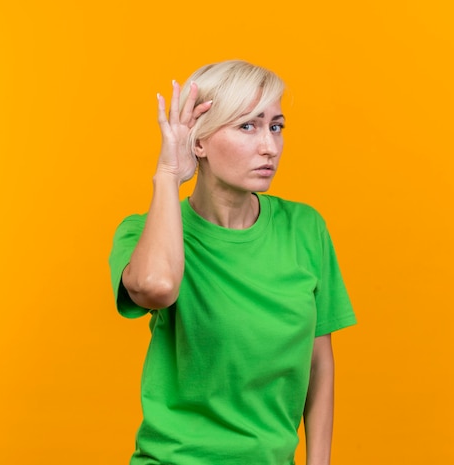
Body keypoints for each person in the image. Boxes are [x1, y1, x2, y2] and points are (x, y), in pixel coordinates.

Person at [109, 60, 356, 465]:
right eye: (247, 126)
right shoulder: (142, 232)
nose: (269, 147)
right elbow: (156, 286)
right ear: (199, 142)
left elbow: (318, 361)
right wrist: (168, 174)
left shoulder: (305, 229)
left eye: (276, 126)